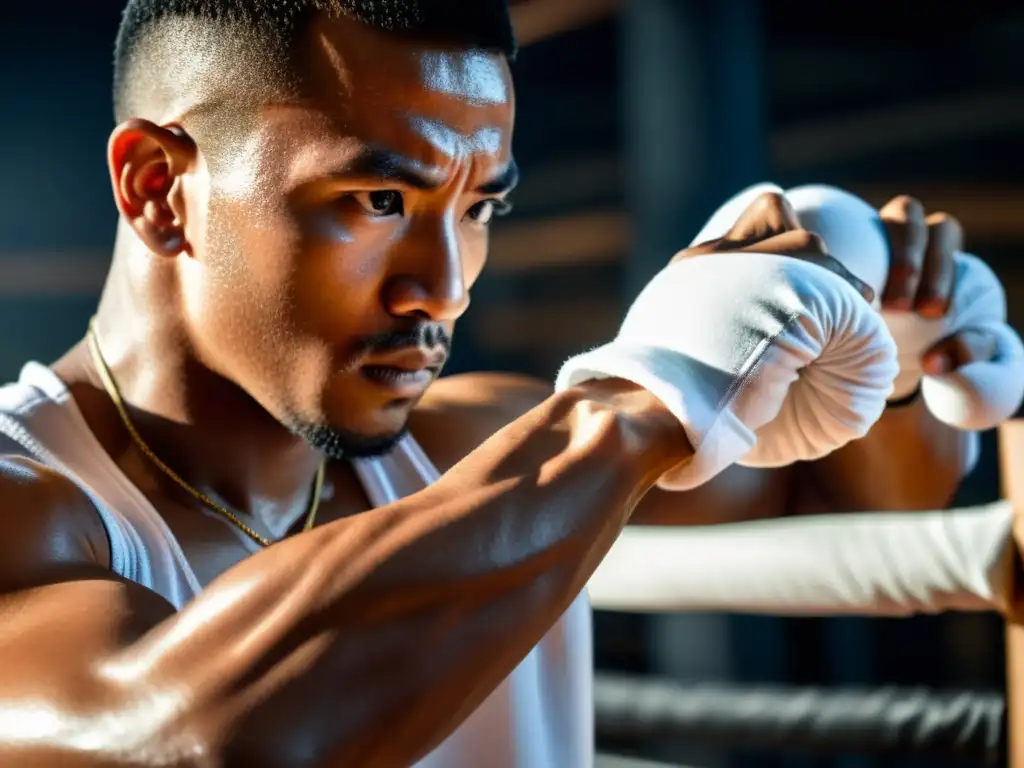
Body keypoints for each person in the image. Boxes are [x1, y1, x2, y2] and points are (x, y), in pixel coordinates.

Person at [0, 2, 1002, 767]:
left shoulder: (474, 447)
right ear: (156, 189)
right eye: (380, 198)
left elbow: (843, 491)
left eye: (480, 206)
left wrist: (892, 357)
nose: (442, 283)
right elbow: (191, 740)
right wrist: (636, 407)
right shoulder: (27, 502)